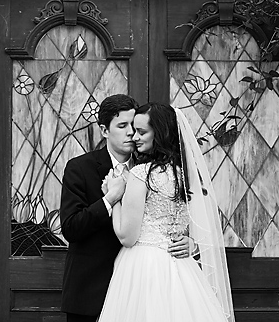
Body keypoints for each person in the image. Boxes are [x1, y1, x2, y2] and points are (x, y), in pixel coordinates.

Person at [59, 94, 196, 322]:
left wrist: (190, 240)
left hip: (145, 290)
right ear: (104, 130)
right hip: (90, 293)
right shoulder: (79, 168)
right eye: (122, 126)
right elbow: (71, 227)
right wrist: (110, 199)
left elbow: (181, 213)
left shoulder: (153, 168)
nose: (131, 133)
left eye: (134, 127)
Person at [98, 103, 235, 322]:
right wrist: (192, 242)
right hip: (181, 268)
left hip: (143, 266)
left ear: (160, 134)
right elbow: (203, 221)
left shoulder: (141, 174)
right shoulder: (186, 175)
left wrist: (113, 196)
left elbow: (127, 236)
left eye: (142, 132)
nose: (135, 137)